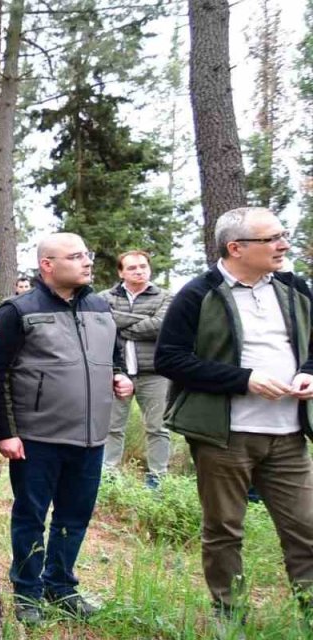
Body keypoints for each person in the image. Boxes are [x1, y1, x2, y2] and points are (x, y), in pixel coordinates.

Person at [155, 207, 313, 626]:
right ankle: (230, 617)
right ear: (236, 248)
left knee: (307, 529)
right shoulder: (197, 294)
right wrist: (244, 380)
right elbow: (170, 359)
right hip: (224, 437)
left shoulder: (295, 288)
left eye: (282, 235)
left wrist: (309, 372)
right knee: (224, 530)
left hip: (289, 435)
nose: (283, 245)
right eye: (271, 238)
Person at [0, 232, 132, 625]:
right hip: (37, 437)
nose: (87, 262)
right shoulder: (18, 311)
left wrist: (121, 376)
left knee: (75, 515)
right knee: (31, 516)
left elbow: (114, 356)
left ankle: (61, 586)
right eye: (76, 256)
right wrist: (6, 432)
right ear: (48, 265)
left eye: (87, 254)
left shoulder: (101, 307)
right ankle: (27, 593)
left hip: (91, 436)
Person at [99, 250, 172, 488]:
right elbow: (101, 325)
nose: (139, 271)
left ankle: (157, 480)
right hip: (116, 372)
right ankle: (109, 477)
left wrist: (119, 324)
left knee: (158, 427)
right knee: (112, 427)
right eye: (132, 268)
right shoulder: (104, 298)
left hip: (155, 373)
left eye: (143, 266)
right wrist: (143, 319)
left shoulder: (166, 297)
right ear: (121, 272)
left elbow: (161, 325)